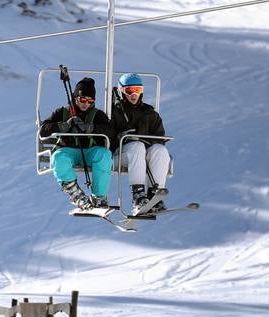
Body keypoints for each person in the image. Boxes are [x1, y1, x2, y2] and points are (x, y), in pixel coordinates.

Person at [39, 76, 113, 211]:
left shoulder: (97, 115)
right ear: (75, 98)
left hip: (90, 151)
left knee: (104, 155)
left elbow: (110, 131)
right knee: (58, 158)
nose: (86, 104)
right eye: (82, 99)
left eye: (90, 101)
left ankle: (99, 196)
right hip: (68, 150)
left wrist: (91, 128)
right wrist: (63, 126)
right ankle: (76, 193)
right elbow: (43, 130)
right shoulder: (62, 113)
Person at [113, 72, 171, 215]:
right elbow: (106, 136)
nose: (134, 94)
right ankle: (138, 196)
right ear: (121, 91)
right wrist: (123, 136)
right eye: (129, 91)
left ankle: (154, 195)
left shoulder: (149, 113)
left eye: (137, 90)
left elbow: (159, 137)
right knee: (136, 146)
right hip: (120, 156)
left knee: (160, 150)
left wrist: (146, 140)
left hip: (142, 155)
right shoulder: (113, 112)